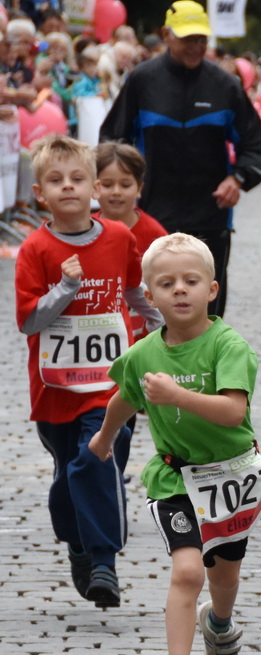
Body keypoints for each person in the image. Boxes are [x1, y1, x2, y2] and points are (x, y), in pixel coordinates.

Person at [88, 233, 261, 655]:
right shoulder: (144, 353)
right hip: (174, 478)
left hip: (230, 476)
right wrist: (105, 437)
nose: (180, 290)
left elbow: (232, 411)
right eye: (167, 283)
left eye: (191, 281)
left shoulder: (228, 345)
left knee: (223, 573)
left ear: (213, 288)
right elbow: (125, 394)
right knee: (187, 570)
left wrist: (176, 396)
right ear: (150, 294)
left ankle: (221, 626)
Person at [16, 134, 161, 610]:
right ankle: (77, 542)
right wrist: (64, 289)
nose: (69, 187)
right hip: (55, 388)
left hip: (108, 383)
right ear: (40, 193)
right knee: (68, 475)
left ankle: (104, 561)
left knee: (96, 457)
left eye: (78, 178)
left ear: (93, 188)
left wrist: (165, 335)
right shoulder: (35, 249)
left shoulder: (120, 238)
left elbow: (137, 292)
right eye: (56, 181)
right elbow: (28, 320)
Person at [99, 1, 261, 319]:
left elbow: (256, 144)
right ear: (167, 35)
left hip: (210, 216)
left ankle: (204, 369)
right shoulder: (141, 80)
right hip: (150, 214)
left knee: (205, 309)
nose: (197, 46)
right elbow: (112, 142)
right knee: (147, 305)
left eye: (202, 39)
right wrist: (120, 188)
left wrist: (239, 179)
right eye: (189, 38)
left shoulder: (226, 85)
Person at [93, 141, 169, 343]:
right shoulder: (85, 232)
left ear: (139, 188)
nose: (116, 191)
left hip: (144, 339)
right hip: (97, 335)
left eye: (125, 185)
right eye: (107, 185)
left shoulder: (156, 236)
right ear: (94, 187)